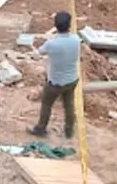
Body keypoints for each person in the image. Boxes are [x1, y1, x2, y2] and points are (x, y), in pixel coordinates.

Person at [27, 11, 81, 139]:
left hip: (55, 82)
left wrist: (32, 46)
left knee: (46, 104)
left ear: (55, 26)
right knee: (69, 105)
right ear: (69, 25)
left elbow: (39, 52)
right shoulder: (76, 40)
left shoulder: (51, 44)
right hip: (72, 79)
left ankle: (41, 128)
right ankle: (69, 130)